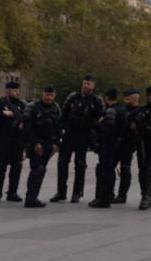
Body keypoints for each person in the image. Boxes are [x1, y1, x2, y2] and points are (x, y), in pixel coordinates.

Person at [51, 73, 104, 203]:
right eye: (85, 83)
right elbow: (64, 114)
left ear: (93, 85)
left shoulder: (96, 101)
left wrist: (93, 131)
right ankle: (61, 191)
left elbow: (100, 117)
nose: (86, 86)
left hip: (83, 135)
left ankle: (77, 192)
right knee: (62, 162)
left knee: (80, 164)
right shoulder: (73, 97)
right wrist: (62, 129)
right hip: (69, 133)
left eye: (89, 84)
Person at [22, 85, 62, 208]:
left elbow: (59, 127)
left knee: (41, 170)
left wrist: (56, 144)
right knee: (37, 170)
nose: (49, 97)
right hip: (36, 144)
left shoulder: (56, 108)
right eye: (47, 95)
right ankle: (31, 198)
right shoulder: (33, 107)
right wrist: (34, 143)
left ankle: (32, 196)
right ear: (42, 95)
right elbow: (27, 128)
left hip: (49, 144)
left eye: (51, 95)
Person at [89, 87, 126, 208]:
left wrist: (99, 124)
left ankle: (103, 198)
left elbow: (108, 130)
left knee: (105, 171)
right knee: (108, 170)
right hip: (117, 145)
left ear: (107, 98)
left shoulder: (111, 111)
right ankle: (106, 195)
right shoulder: (122, 110)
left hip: (108, 144)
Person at [0, 81, 27, 202]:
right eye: (15, 91)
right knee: (1, 166)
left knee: (17, 165)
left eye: (18, 91)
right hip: (4, 138)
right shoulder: (0, 104)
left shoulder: (22, 105)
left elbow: (28, 120)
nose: (17, 93)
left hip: (17, 139)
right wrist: (3, 113)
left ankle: (12, 193)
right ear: (8, 92)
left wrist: (23, 125)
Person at [115, 88, 139, 203]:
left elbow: (135, 131)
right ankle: (109, 193)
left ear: (134, 99)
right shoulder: (123, 111)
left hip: (128, 144)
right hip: (117, 143)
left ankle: (122, 195)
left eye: (127, 98)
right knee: (110, 167)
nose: (125, 101)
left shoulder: (138, 112)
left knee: (125, 168)